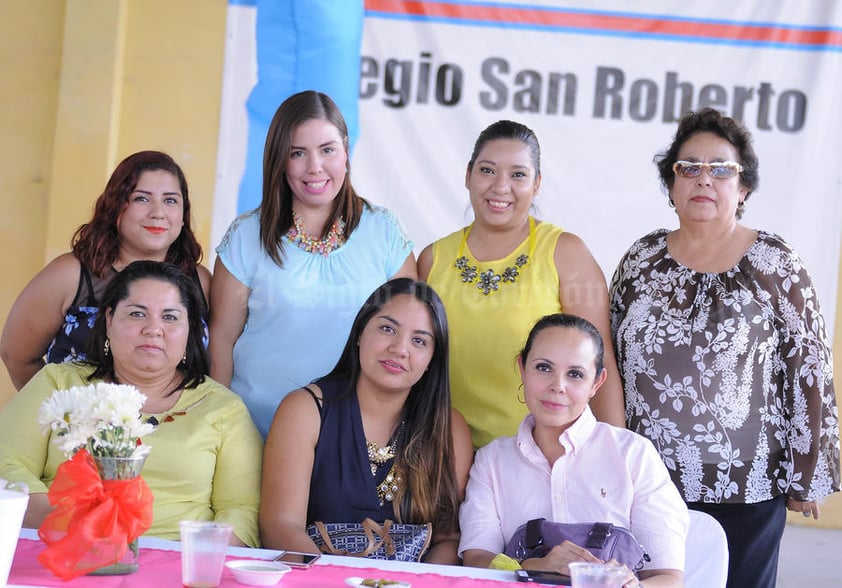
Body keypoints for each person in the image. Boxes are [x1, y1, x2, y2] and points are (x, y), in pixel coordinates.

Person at [609, 108, 840, 588]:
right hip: (648, 483)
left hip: (749, 485)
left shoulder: (776, 263)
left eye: (720, 168)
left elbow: (810, 368)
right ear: (671, 184)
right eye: (688, 167)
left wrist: (808, 473)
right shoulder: (640, 260)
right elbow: (606, 358)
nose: (703, 179)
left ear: (744, 187)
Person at [0, 261, 262, 546]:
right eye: (137, 314)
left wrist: (196, 564)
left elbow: (242, 508)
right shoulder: (59, 383)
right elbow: (7, 460)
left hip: (177, 564)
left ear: (189, 331)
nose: (153, 329)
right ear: (109, 320)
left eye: (170, 317)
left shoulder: (222, 408)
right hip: (62, 547)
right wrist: (63, 523)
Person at [210, 91, 415, 437]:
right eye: (297, 153)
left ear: (346, 152)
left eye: (327, 150)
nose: (314, 167)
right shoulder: (246, 235)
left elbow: (409, 335)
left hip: (355, 431)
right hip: (255, 429)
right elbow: (221, 340)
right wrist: (218, 429)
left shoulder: (384, 231)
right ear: (279, 160)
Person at [419, 120, 624, 448]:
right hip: (448, 455)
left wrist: (616, 454)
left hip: (545, 458)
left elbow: (603, 365)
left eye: (518, 175)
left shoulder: (564, 253)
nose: (501, 187)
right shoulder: (433, 260)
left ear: (537, 183)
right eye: (488, 171)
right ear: (468, 175)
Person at [459, 313, 687, 588]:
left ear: (597, 383)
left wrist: (631, 586)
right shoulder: (491, 461)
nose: (558, 386)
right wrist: (535, 567)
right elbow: (476, 558)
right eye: (543, 368)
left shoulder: (634, 456)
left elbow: (668, 578)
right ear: (522, 367)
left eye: (575, 374)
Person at [260, 278, 473, 564]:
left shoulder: (449, 429)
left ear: (432, 359)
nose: (400, 348)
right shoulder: (304, 410)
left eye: (419, 341)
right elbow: (281, 526)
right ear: (360, 332)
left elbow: (448, 540)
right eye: (387, 328)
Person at [0, 151, 211, 391]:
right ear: (115, 206)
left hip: (178, 425)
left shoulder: (200, 282)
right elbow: (17, 356)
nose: (158, 212)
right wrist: (63, 415)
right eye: (142, 198)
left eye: (170, 200)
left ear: (184, 215)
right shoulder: (70, 275)